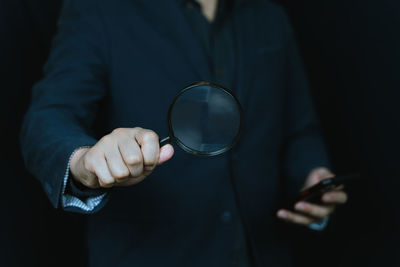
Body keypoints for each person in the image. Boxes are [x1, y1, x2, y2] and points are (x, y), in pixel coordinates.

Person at [20, 0, 348, 266]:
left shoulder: (270, 15)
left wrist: (312, 175)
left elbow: (300, 129)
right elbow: (50, 115)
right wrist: (83, 162)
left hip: (264, 252)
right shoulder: (101, 9)